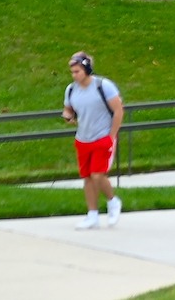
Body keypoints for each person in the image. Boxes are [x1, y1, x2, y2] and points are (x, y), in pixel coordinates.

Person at [62, 51, 124, 229]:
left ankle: (113, 201)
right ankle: (92, 215)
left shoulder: (103, 86)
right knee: (87, 178)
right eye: (72, 72)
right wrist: (67, 116)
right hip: (83, 138)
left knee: (98, 175)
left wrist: (111, 135)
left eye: (77, 71)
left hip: (102, 136)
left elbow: (118, 110)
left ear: (87, 69)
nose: (74, 75)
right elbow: (68, 109)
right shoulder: (71, 89)